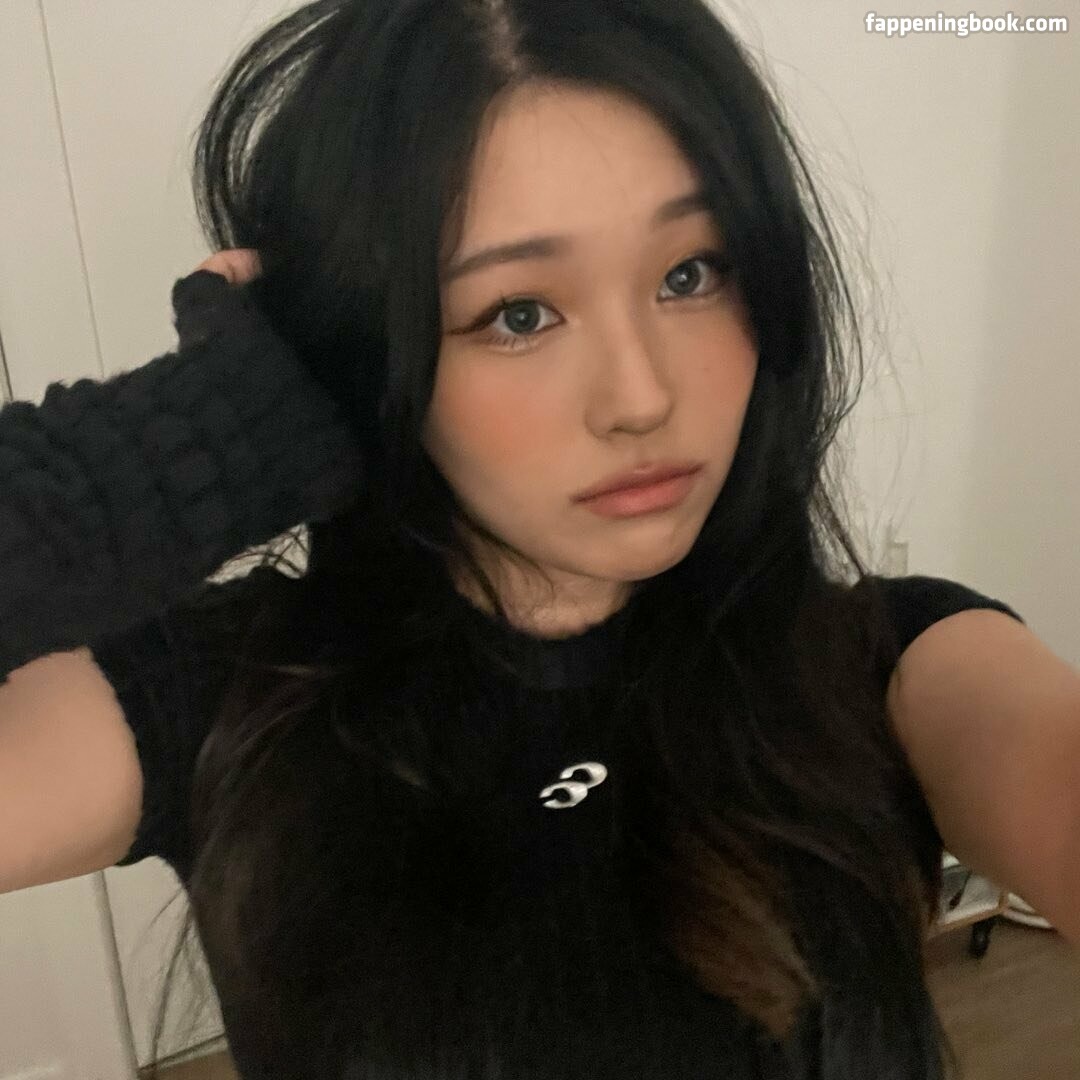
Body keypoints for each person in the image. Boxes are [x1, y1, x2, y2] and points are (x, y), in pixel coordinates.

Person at [5, 1, 1071, 1077]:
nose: (642, 396)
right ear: (367, 349)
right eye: (518, 313)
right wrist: (197, 438)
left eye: (692, 273)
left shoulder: (895, 669)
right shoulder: (227, 693)